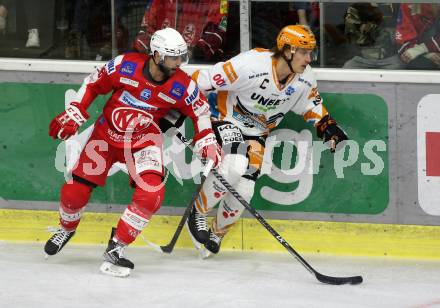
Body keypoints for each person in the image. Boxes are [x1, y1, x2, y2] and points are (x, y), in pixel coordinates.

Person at [44, 27, 222, 277]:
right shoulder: (124, 66)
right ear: (158, 55)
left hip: (144, 142)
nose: (180, 62)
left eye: (182, 56)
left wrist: (206, 139)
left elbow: (201, 112)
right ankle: (66, 227)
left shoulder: (182, 84)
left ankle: (116, 247)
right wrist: (76, 111)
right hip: (105, 137)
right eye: (174, 57)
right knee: (74, 193)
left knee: (151, 195)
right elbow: (93, 84)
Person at [186, 25, 348, 255]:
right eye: (303, 52)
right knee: (234, 165)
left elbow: (311, 105)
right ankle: (198, 213)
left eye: (310, 52)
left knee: (245, 188)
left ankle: (217, 232)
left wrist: (327, 126)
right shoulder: (251, 64)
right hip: (225, 118)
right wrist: (172, 101)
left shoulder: (304, 78)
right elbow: (202, 79)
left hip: (257, 133)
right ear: (288, 51)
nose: (309, 59)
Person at [133, 0, 228, 63]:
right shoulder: (160, 2)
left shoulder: (217, 2)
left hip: (197, 65)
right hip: (159, 62)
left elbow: (214, 37)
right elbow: (145, 33)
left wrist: (181, 56)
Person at [395, 3, 440, 70]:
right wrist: (424, 54)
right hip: (419, 55)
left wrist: (422, 49)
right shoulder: (407, 5)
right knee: (419, 65)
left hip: (430, 50)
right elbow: (403, 37)